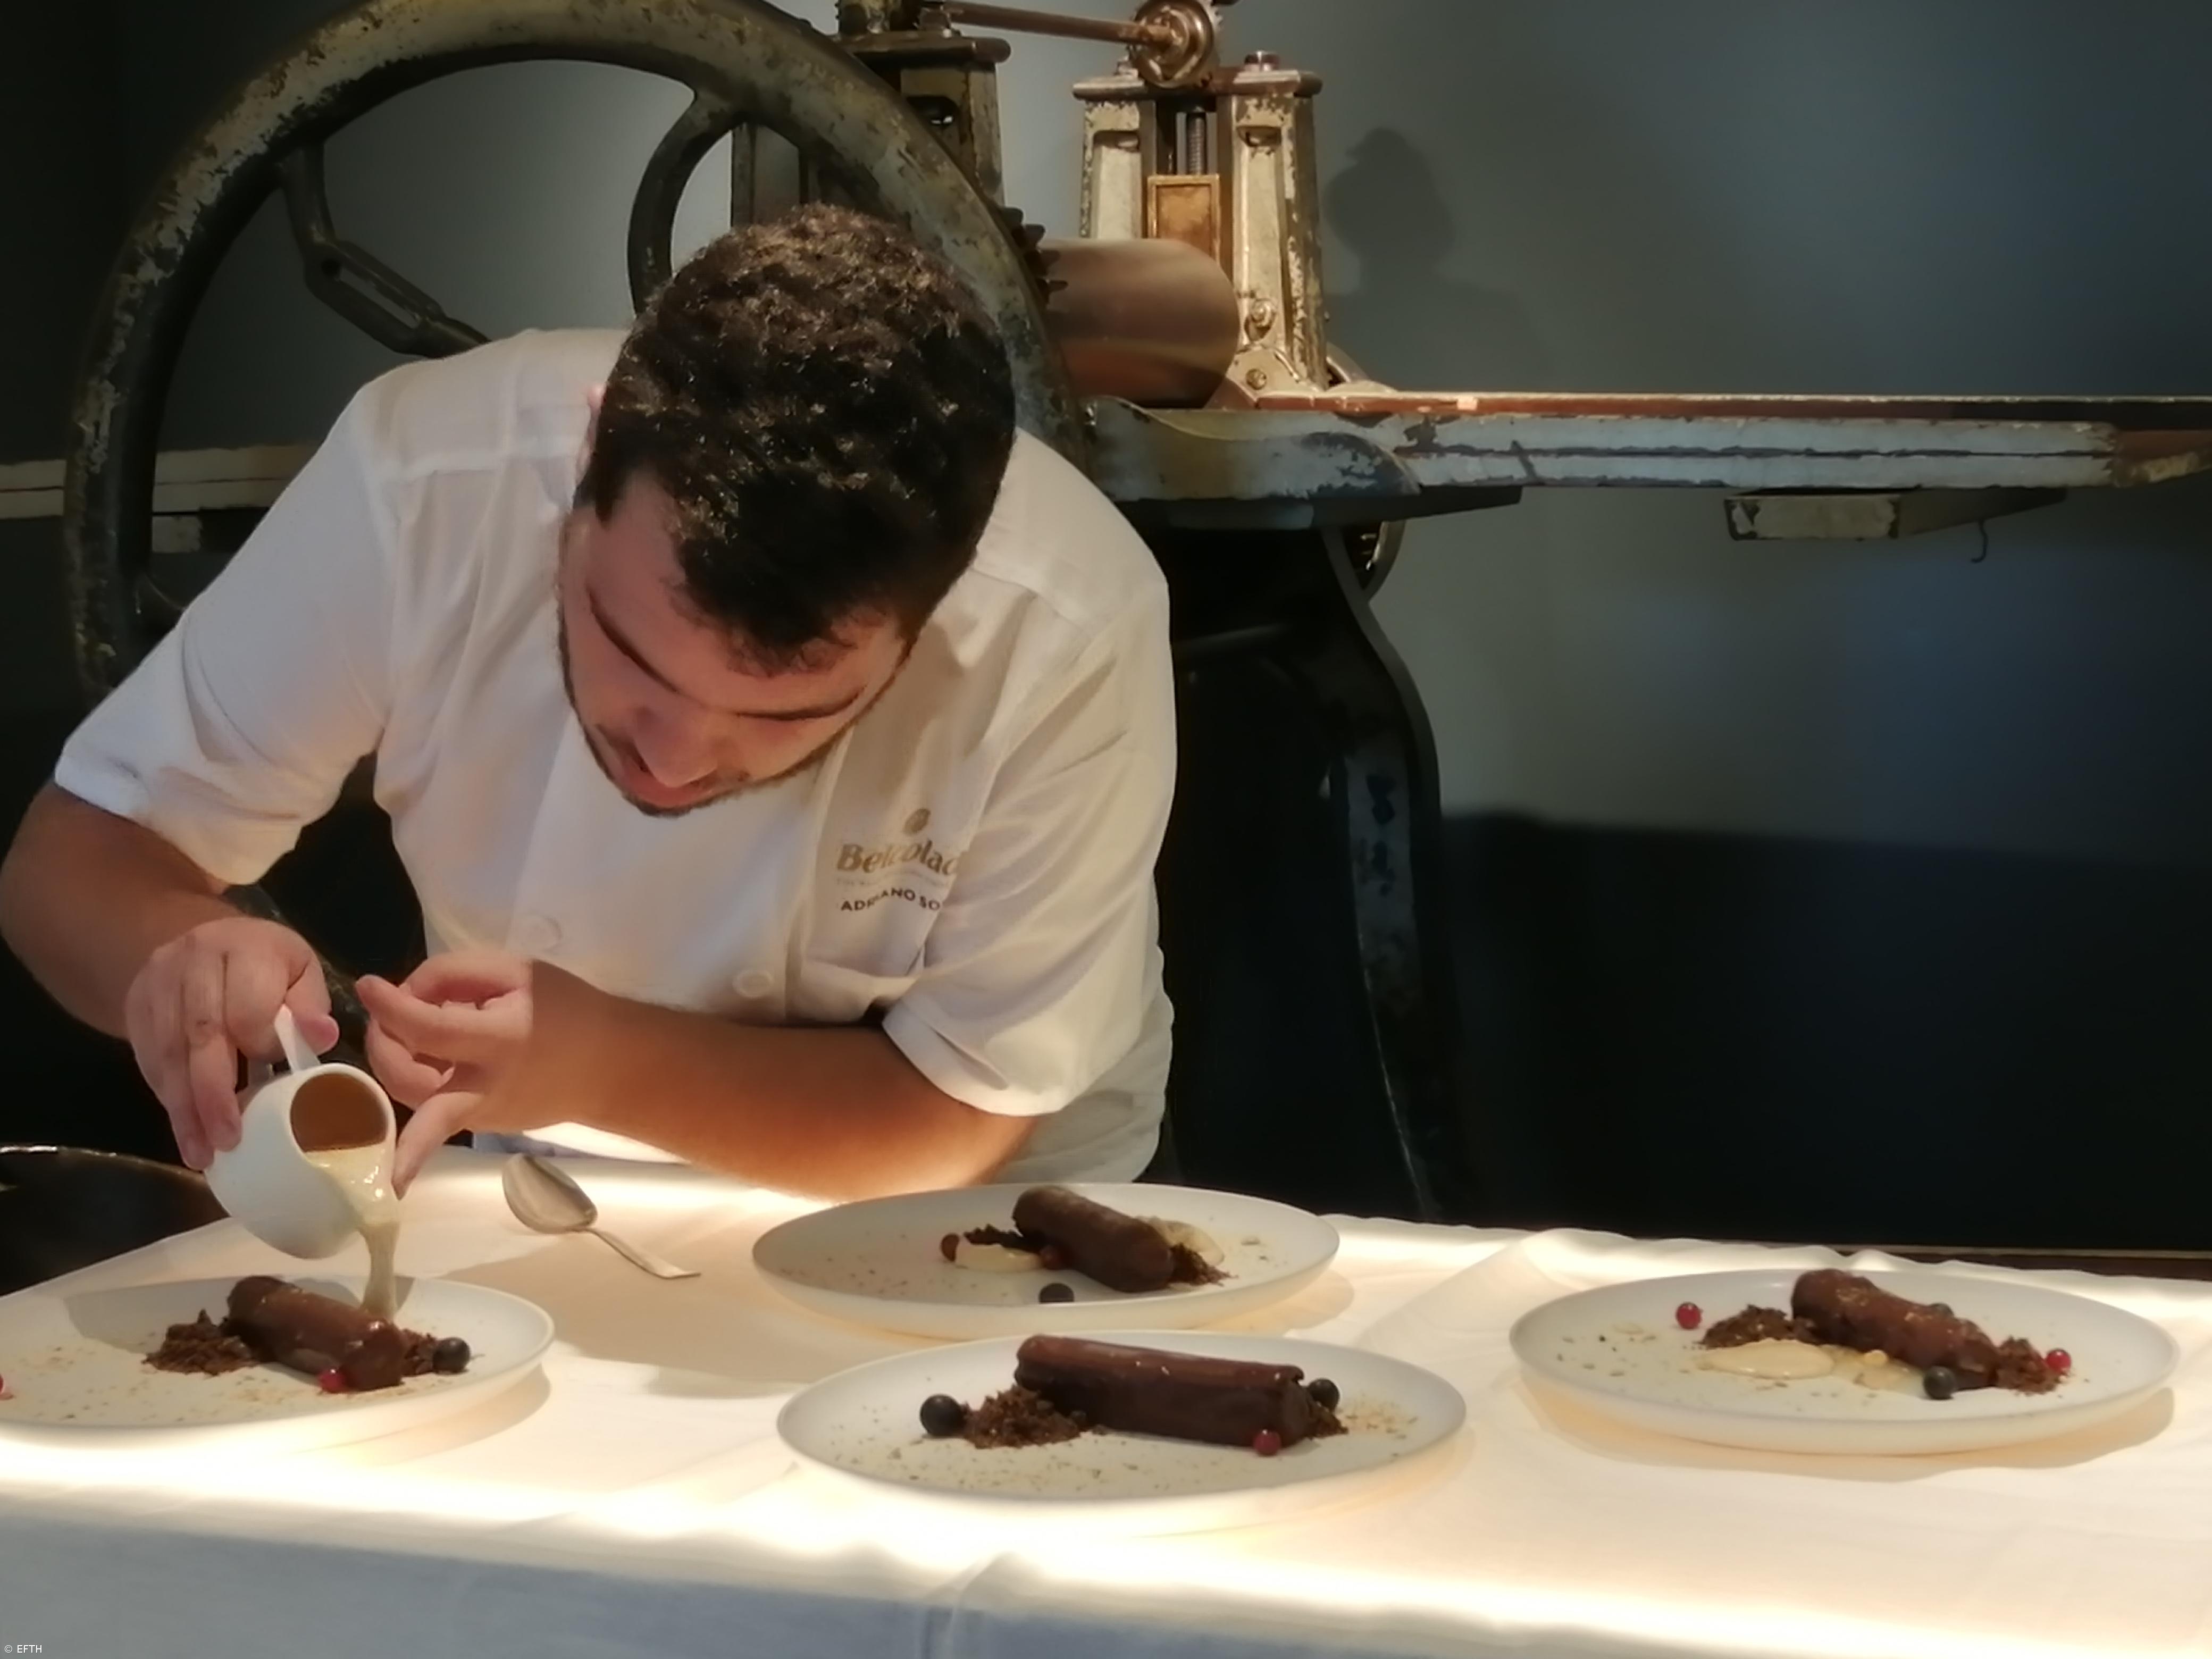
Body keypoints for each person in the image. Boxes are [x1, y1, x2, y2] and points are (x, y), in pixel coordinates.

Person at [0, 205, 1175, 1196]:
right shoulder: (424, 490)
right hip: (539, 1182)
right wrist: (180, 953)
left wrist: (603, 1063)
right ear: (591, 451)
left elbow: (963, 1111)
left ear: (940, 607)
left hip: (971, 1215)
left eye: (786, 718)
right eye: (630, 653)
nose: (674, 758)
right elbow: (75, 859)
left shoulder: (1063, 620)